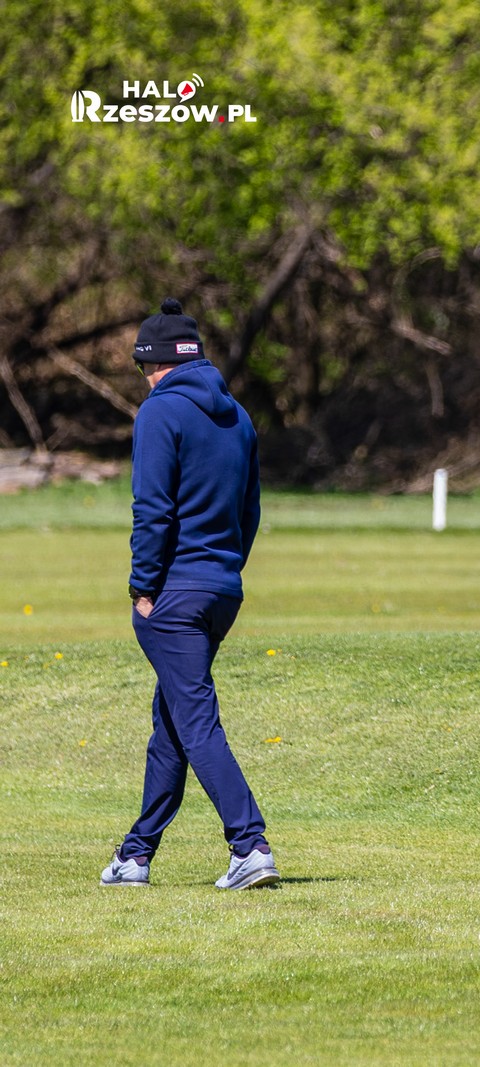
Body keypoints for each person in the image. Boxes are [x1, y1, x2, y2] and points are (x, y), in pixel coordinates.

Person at [100, 299, 278, 890]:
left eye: (142, 368)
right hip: (221, 589)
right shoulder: (239, 417)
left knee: (195, 721)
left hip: (173, 594)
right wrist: (226, 571)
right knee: (173, 722)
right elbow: (250, 511)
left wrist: (142, 586)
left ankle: (250, 845)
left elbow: (151, 509)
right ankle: (135, 855)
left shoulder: (159, 412)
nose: (143, 379)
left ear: (155, 364)